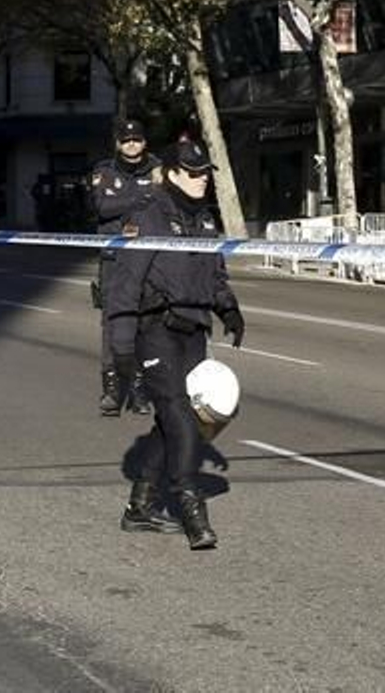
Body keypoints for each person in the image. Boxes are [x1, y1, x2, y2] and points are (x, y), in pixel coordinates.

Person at [106, 138, 244, 550]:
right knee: (181, 417)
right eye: (192, 173)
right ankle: (190, 506)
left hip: (193, 333)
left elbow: (214, 275)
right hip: (156, 331)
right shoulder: (148, 217)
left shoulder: (204, 221)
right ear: (170, 174)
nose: (201, 180)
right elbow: (124, 285)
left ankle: (139, 508)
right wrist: (122, 348)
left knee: (174, 424)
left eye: (204, 174)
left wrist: (229, 309)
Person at [89, 119, 162, 416]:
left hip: (149, 259)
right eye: (126, 140)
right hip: (114, 259)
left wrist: (126, 200)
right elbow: (103, 208)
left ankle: (139, 387)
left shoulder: (159, 169)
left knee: (146, 323)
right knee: (113, 324)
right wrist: (143, 196)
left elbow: (166, 204)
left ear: (145, 142)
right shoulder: (104, 171)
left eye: (137, 139)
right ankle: (111, 389)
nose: (132, 144)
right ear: (118, 144)